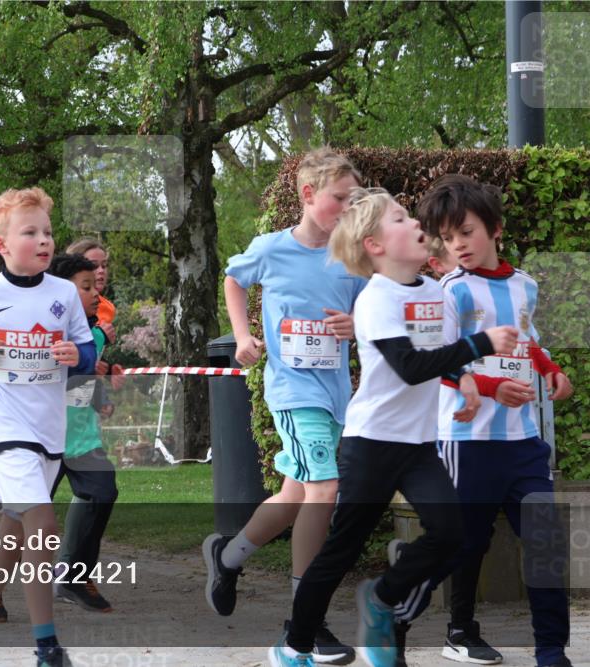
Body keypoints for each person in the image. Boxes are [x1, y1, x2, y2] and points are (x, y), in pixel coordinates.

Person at [269, 187, 519, 667]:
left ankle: (381, 597)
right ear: (375, 246)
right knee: (340, 550)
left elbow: (439, 356)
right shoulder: (375, 300)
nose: (414, 222)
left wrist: (465, 380)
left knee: (452, 533)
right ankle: (295, 643)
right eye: (400, 218)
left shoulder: (434, 293)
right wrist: (480, 345)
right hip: (371, 445)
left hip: (420, 444)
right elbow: (408, 366)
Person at [391, 175, 574, 667]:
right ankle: (395, 614)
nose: (457, 245)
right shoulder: (450, 291)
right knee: (461, 546)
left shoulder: (525, 285)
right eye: (448, 238)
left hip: (524, 441)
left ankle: (552, 651)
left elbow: (526, 340)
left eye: (465, 232)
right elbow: (436, 360)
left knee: (545, 543)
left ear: (495, 228)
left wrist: (551, 370)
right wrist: (491, 387)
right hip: (467, 441)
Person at [203, 148, 364, 665]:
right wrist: (243, 334)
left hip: (337, 393)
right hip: (294, 391)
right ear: (308, 195)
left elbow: (373, 309)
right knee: (325, 488)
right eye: (341, 198)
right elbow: (232, 278)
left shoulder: (353, 257)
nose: (347, 207)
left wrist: (357, 327)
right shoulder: (271, 249)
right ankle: (306, 618)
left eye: (354, 199)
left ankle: (227, 557)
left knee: (296, 496)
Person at [0, 187, 96, 667]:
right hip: (6, 425)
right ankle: (46, 645)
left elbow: (86, 347)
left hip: (49, 427)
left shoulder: (64, 293)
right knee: (45, 526)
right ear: (2, 244)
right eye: (30, 232)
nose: (44, 240)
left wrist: (79, 356)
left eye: (48, 232)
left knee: (15, 533)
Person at [48, 253, 120, 613]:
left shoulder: (91, 329)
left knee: (103, 490)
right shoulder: (46, 326)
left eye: (96, 285)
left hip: (79, 437)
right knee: (22, 522)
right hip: (42, 437)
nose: (96, 293)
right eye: (86, 287)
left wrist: (99, 397)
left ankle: (76, 578)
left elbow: (83, 375)